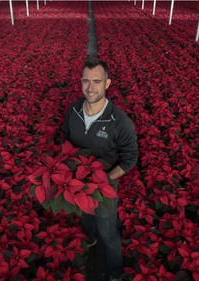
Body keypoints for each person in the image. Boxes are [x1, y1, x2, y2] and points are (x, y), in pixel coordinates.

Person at [63, 57, 138, 281]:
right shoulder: (73, 110)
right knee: (86, 218)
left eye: (97, 81)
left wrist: (104, 178)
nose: (90, 87)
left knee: (108, 233)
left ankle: (115, 273)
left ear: (108, 83)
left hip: (105, 186)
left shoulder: (119, 121)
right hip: (79, 182)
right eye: (86, 81)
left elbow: (130, 158)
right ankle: (90, 240)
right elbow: (65, 140)